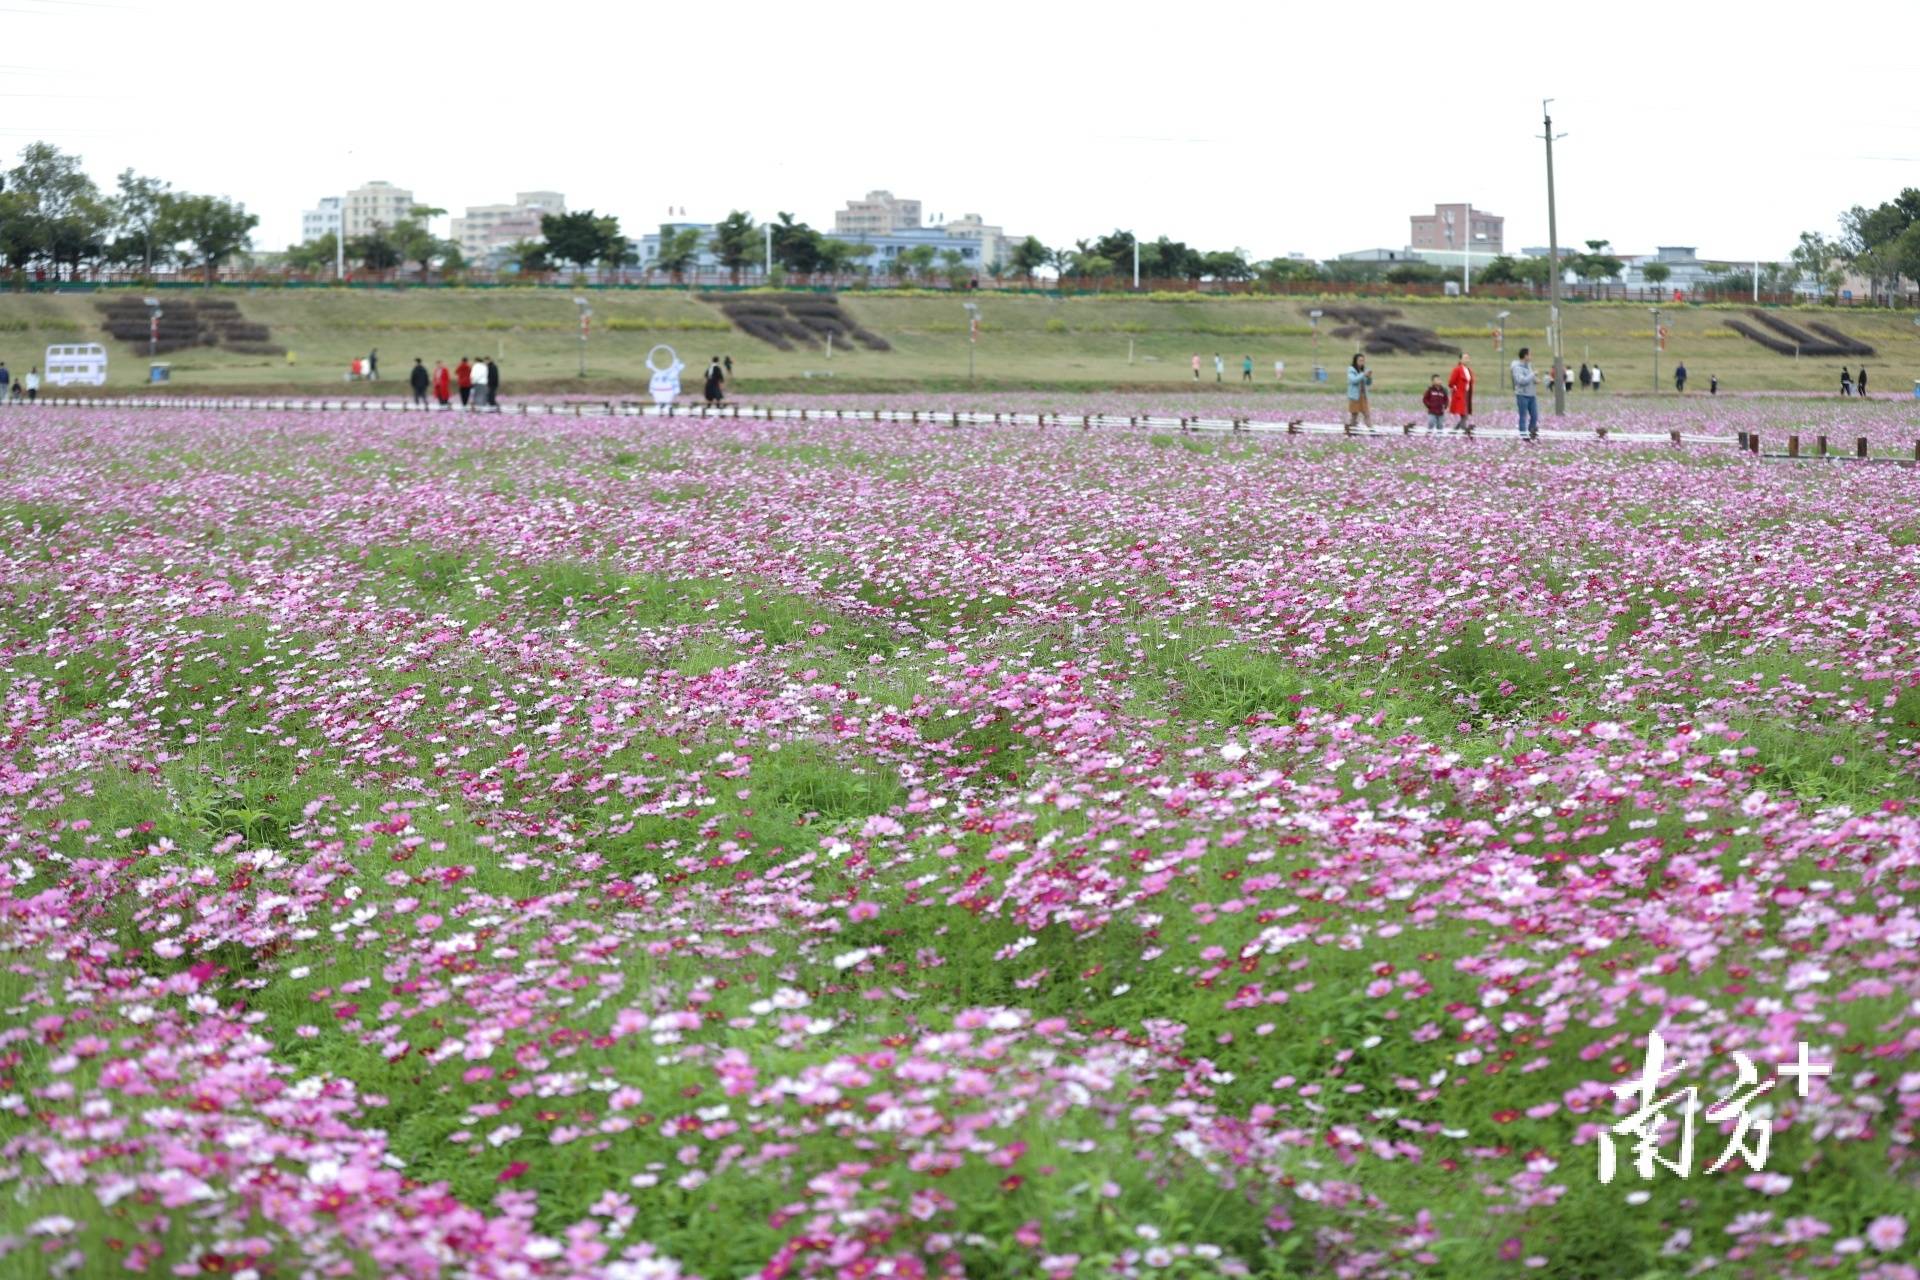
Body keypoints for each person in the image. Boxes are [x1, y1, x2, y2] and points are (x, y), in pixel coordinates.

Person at [1511, 347, 1538, 440]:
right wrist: (1533, 374)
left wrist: (1535, 380)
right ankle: (1524, 436)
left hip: (1532, 395)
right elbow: (1521, 381)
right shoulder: (1517, 367)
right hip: (1522, 395)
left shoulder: (1528, 365)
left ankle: (1532, 433)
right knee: (1523, 416)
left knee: (1535, 415)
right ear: (1525, 356)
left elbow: (1529, 378)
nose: (1531, 356)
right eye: (1530, 354)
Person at [1344, 353, 1373, 429]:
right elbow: (1354, 380)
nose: (1362, 362)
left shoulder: (1364, 370)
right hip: (1354, 397)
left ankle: (1371, 430)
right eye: (1360, 360)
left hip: (1363, 396)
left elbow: (1368, 383)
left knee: (1367, 414)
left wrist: (1369, 377)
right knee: (1354, 415)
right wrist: (1363, 374)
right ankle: (1351, 431)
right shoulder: (1351, 370)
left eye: (1363, 360)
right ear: (1355, 361)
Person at [1447, 352, 1474, 430]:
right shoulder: (1457, 369)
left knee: (1465, 414)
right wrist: (1456, 389)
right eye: (1465, 358)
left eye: (1468, 358)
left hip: (1467, 394)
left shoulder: (1468, 370)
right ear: (1460, 359)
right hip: (1460, 394)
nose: (1467, 360)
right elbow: (1451, 382)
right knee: (1464, 414)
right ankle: (1464, 430)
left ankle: (1455, 430)